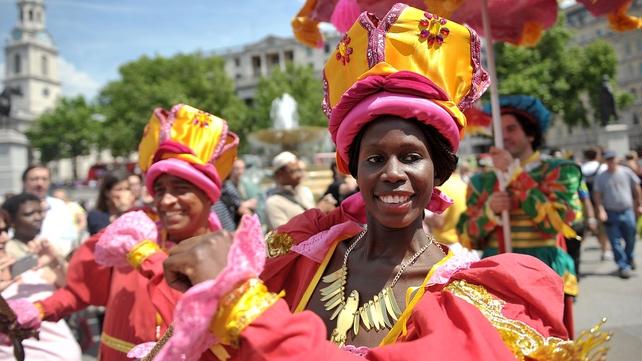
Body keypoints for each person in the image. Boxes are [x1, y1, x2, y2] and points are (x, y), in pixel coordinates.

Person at [154, 7, 607, 361]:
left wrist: (240, 304)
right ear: (353, 168)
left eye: (411, 157)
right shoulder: (302, 254)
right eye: (374, 158)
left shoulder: (468, 298)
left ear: (440, 171)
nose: (392, 172)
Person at [2, 104, 239, 361]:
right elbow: (80, 291)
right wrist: (38, 310)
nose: (167, 200)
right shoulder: (128, 234)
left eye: (180, 189)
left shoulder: (228, 256)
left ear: (208, 196)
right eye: (160, 190)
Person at [456, 95, 581, 335]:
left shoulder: (560, 171)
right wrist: (489, 212)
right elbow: (467, 239)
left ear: (531, 134)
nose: (504, 137)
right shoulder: (482, 181)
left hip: (544, 270)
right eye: (499, 131)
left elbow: (555, 224)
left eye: (511, 129)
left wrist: (516, 176)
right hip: (496, 273)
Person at [0, 193, 81, 361]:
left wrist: (53, 261)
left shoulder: (23, 268)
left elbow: (73, 291)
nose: (5, 238)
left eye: (4, 230)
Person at [593, 150, 642, 279]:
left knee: (630, 237)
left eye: (612, 158)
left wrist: (640, 204)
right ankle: (623, 266)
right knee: (615, 242)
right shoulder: (601, 177)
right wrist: (601, 211)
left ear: (617, 159)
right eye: (608, 159)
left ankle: (629, 257)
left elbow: (636, 187)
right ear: (605, 160)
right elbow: (597, 196)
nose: (611, 161)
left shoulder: (626, 172)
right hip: (611, 213)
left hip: (627, 211)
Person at [264, 151, 335, 231]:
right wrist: (318, 211)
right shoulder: (273, 203)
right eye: (294, 171)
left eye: (300, 170)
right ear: (280, 173)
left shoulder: (302, 193)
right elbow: (283, 238)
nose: (300, 175)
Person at [22, 165, 78, 256]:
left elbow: (70, 239)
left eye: (44, 179)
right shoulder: (15, 207)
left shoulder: (59, 205)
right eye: (34, 179)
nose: (40, 184)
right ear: (24, 182)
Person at [423, 163, 469, 253]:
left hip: (448, 247)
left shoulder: (442, 188)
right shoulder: (464, 185)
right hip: (463, 245)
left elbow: (438, 222)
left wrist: (421, 217)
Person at [212, 159, 258, 231]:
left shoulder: (229, 187)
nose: (240, 171)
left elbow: (246, 213)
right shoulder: (226, 186)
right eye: (237, 168)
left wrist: (237, 237)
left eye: (242, 168)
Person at [86, 169, 134, 235]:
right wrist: (124, 211)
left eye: (127, 189)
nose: (124, 193)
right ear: (107, 192)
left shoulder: (134, 212)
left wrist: (128, 210)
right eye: (119, 189)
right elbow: (105, 237)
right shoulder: (95, 215)